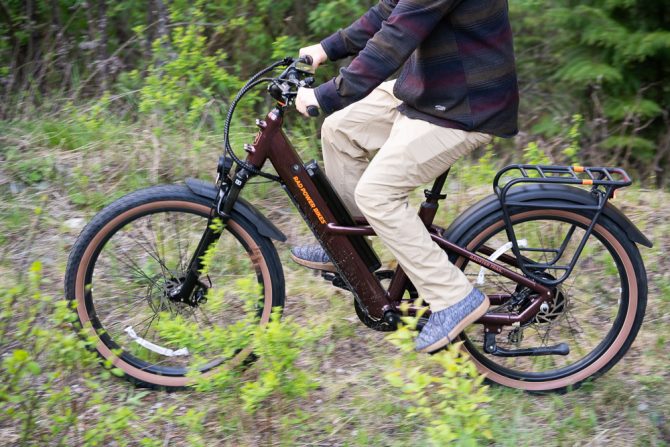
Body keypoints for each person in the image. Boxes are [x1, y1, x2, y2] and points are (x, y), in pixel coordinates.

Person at [291, 0, 519, 353]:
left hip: (465, 106)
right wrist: (327, 48)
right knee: (339, 130)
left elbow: (396, 37)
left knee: (377, 194)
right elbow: (390, 12)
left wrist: (325, 94)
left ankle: (454, 297)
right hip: (432, 90)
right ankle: (352, 251)